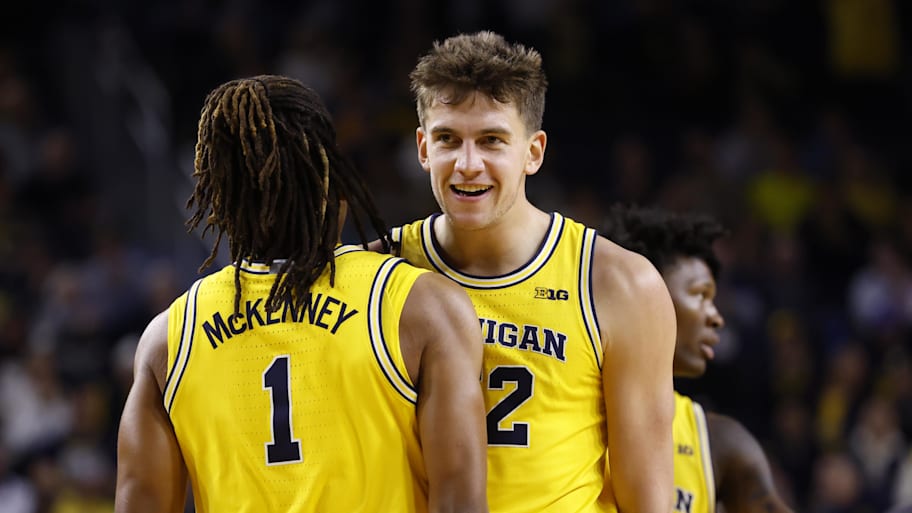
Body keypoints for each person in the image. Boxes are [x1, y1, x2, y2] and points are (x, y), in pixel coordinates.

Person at [114, 75, 488, 513]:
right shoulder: (419, 307)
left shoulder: (168, 340)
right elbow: (461, 501)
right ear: (330, 183)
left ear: (220, 199)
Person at [382, 31, 677, 513]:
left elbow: (649, 502)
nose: (467, 164)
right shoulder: (377, 271)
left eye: (492, 140)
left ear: (533, 152)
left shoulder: (620, 284)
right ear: (422, 148)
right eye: (448, 139)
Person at [601, 205, 794, 513]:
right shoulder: (563, 407)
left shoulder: (719, 442)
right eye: (700, 294)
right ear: (646, 291)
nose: (716, 317)